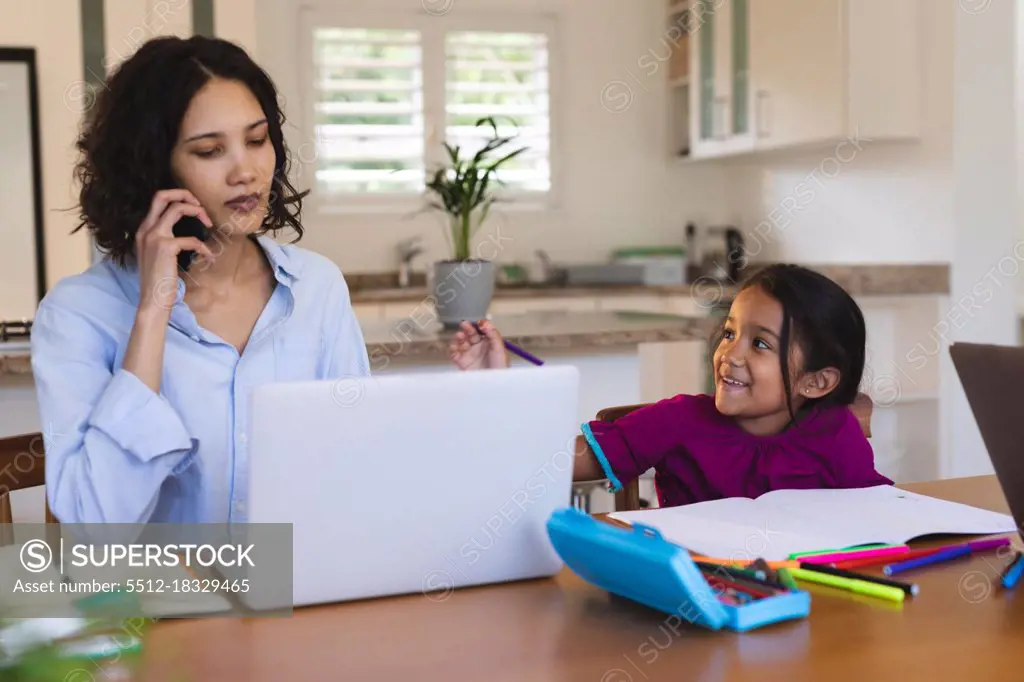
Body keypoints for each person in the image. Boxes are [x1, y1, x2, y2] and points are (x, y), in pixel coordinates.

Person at [31, 36, 369, 525]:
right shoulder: (78, 313)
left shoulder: (318, 287)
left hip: (301, 592)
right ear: (154, 169)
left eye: (257, 140)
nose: (247, 171)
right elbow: (92, 531)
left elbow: (357, 470)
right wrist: (152, 313)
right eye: (210, 151)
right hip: (154, 598)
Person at [448, 264, 892, 507]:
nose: (730, 354)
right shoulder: (678, 421)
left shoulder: (835, 432)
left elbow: (879, 517)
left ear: (817, 382)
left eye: (759, 343)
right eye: (730, 333)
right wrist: (494, 388)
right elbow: (548, 463)